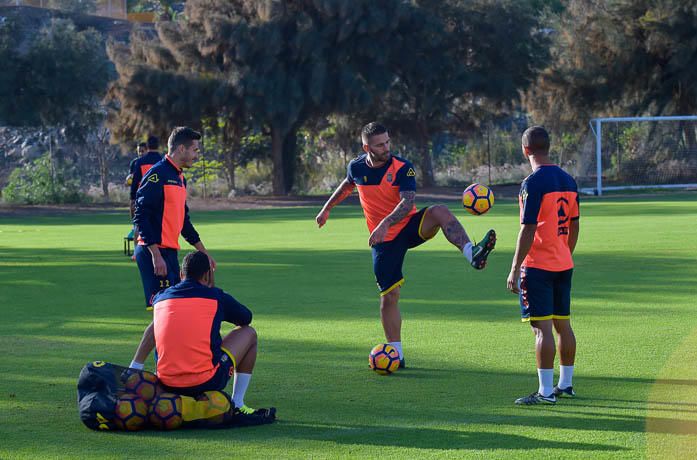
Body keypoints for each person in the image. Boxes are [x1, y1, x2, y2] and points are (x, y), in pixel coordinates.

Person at [316, 122, 496, 367]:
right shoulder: (356, 167)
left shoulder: (403, 168)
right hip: (384, 241)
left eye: (388, 141)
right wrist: (326, 209)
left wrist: (385, 223)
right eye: (380, 144)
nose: (386, 147)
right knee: (389, 296)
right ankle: (396, 354)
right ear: (366, 147)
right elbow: (348, 185)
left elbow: (407, 202)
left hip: (409, 226)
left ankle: (472, 254)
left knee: (439, 211)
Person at [130, 251, 274, 419]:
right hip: (206, 381)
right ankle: (238, 403)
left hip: (165, 383)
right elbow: (246, 318)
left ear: (181, 274)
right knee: (249, 333)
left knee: (156, 324)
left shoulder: (161, 298)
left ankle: (134, 367)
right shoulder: (216, 296)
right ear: (208, 274)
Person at [506, 126, 579, 405]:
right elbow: (574, 225)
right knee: (563, 324)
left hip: (538, 266)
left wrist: (515, 267)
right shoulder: (568, 181)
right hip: (563, 263)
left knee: (542, 329)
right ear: (549, 147)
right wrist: (565, 252)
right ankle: (566, 384)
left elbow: (528, 229)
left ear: (526, 150)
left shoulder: (532, 183)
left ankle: (546, 393)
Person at [131, 127, 216, 363]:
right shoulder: (158, 174)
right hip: (154, 254)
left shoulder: (179, 177)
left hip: (169, 254)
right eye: (194, 150)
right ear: (181, 149)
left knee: (171, 313)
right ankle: (147, 369)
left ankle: (159, 369)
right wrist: (155, 254)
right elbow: (141, 215)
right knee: (164, 314)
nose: (197, 155)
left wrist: (204, 253)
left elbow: (184, 223)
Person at [129, 136, 163, 221]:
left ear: (147, 147)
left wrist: (132, 198)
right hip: (159, 199)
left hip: (144, 198)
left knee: (140, 225)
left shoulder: (140, 162)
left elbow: (135, 182)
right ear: (158, 146)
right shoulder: (163, 161)